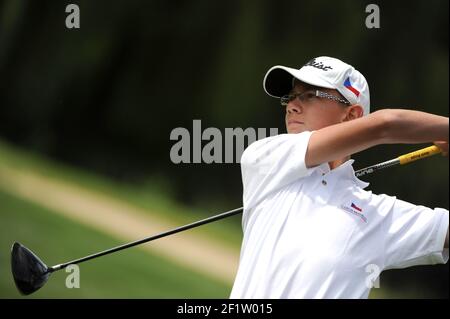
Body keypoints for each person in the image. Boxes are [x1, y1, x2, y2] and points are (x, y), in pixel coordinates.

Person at [230, 56, 449, 299]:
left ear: (352, 115)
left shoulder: (375, 213)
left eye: (310, 95)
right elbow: (384, 125)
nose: (291, 105)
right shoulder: (266, 158)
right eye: (291, 96)